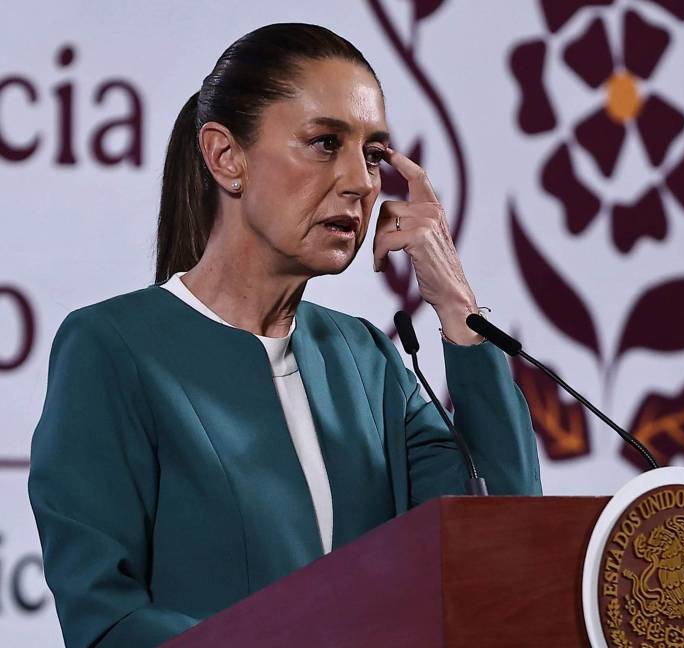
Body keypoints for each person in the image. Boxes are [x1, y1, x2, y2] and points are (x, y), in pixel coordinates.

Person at [27, 23, 542, 648]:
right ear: (226, 157)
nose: (362, 182)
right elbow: (106, 619)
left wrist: (458, 310)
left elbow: (496, 552)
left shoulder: (368, 360)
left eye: (373, 154)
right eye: (325, 143)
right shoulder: (111, 347)